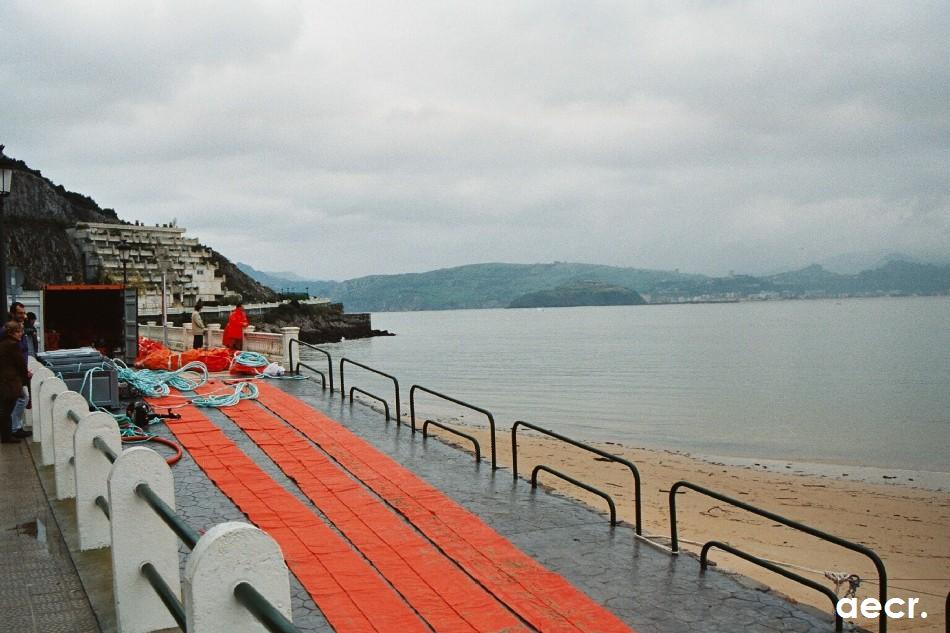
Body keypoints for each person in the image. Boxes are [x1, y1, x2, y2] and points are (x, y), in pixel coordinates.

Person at [0, 321, 30, 443]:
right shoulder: (13, 345)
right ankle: (10, 433)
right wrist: (26, 375)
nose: (20, 334)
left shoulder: (3, 343)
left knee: (7, 408)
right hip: (11, 381)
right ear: (12, 333)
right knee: (8, 408)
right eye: (18, 332)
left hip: (5, 380)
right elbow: (20, 362)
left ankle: (11, 432)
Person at [8, 302, 31, 438]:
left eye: (24, 313)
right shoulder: (10, 331)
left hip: (19, 372)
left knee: (20, 398)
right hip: (14, 373)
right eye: (20, 313)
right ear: (12, 314)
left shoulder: (20, 328)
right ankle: (14, 428)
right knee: (22, 398)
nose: (23, 315)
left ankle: (16, 426)